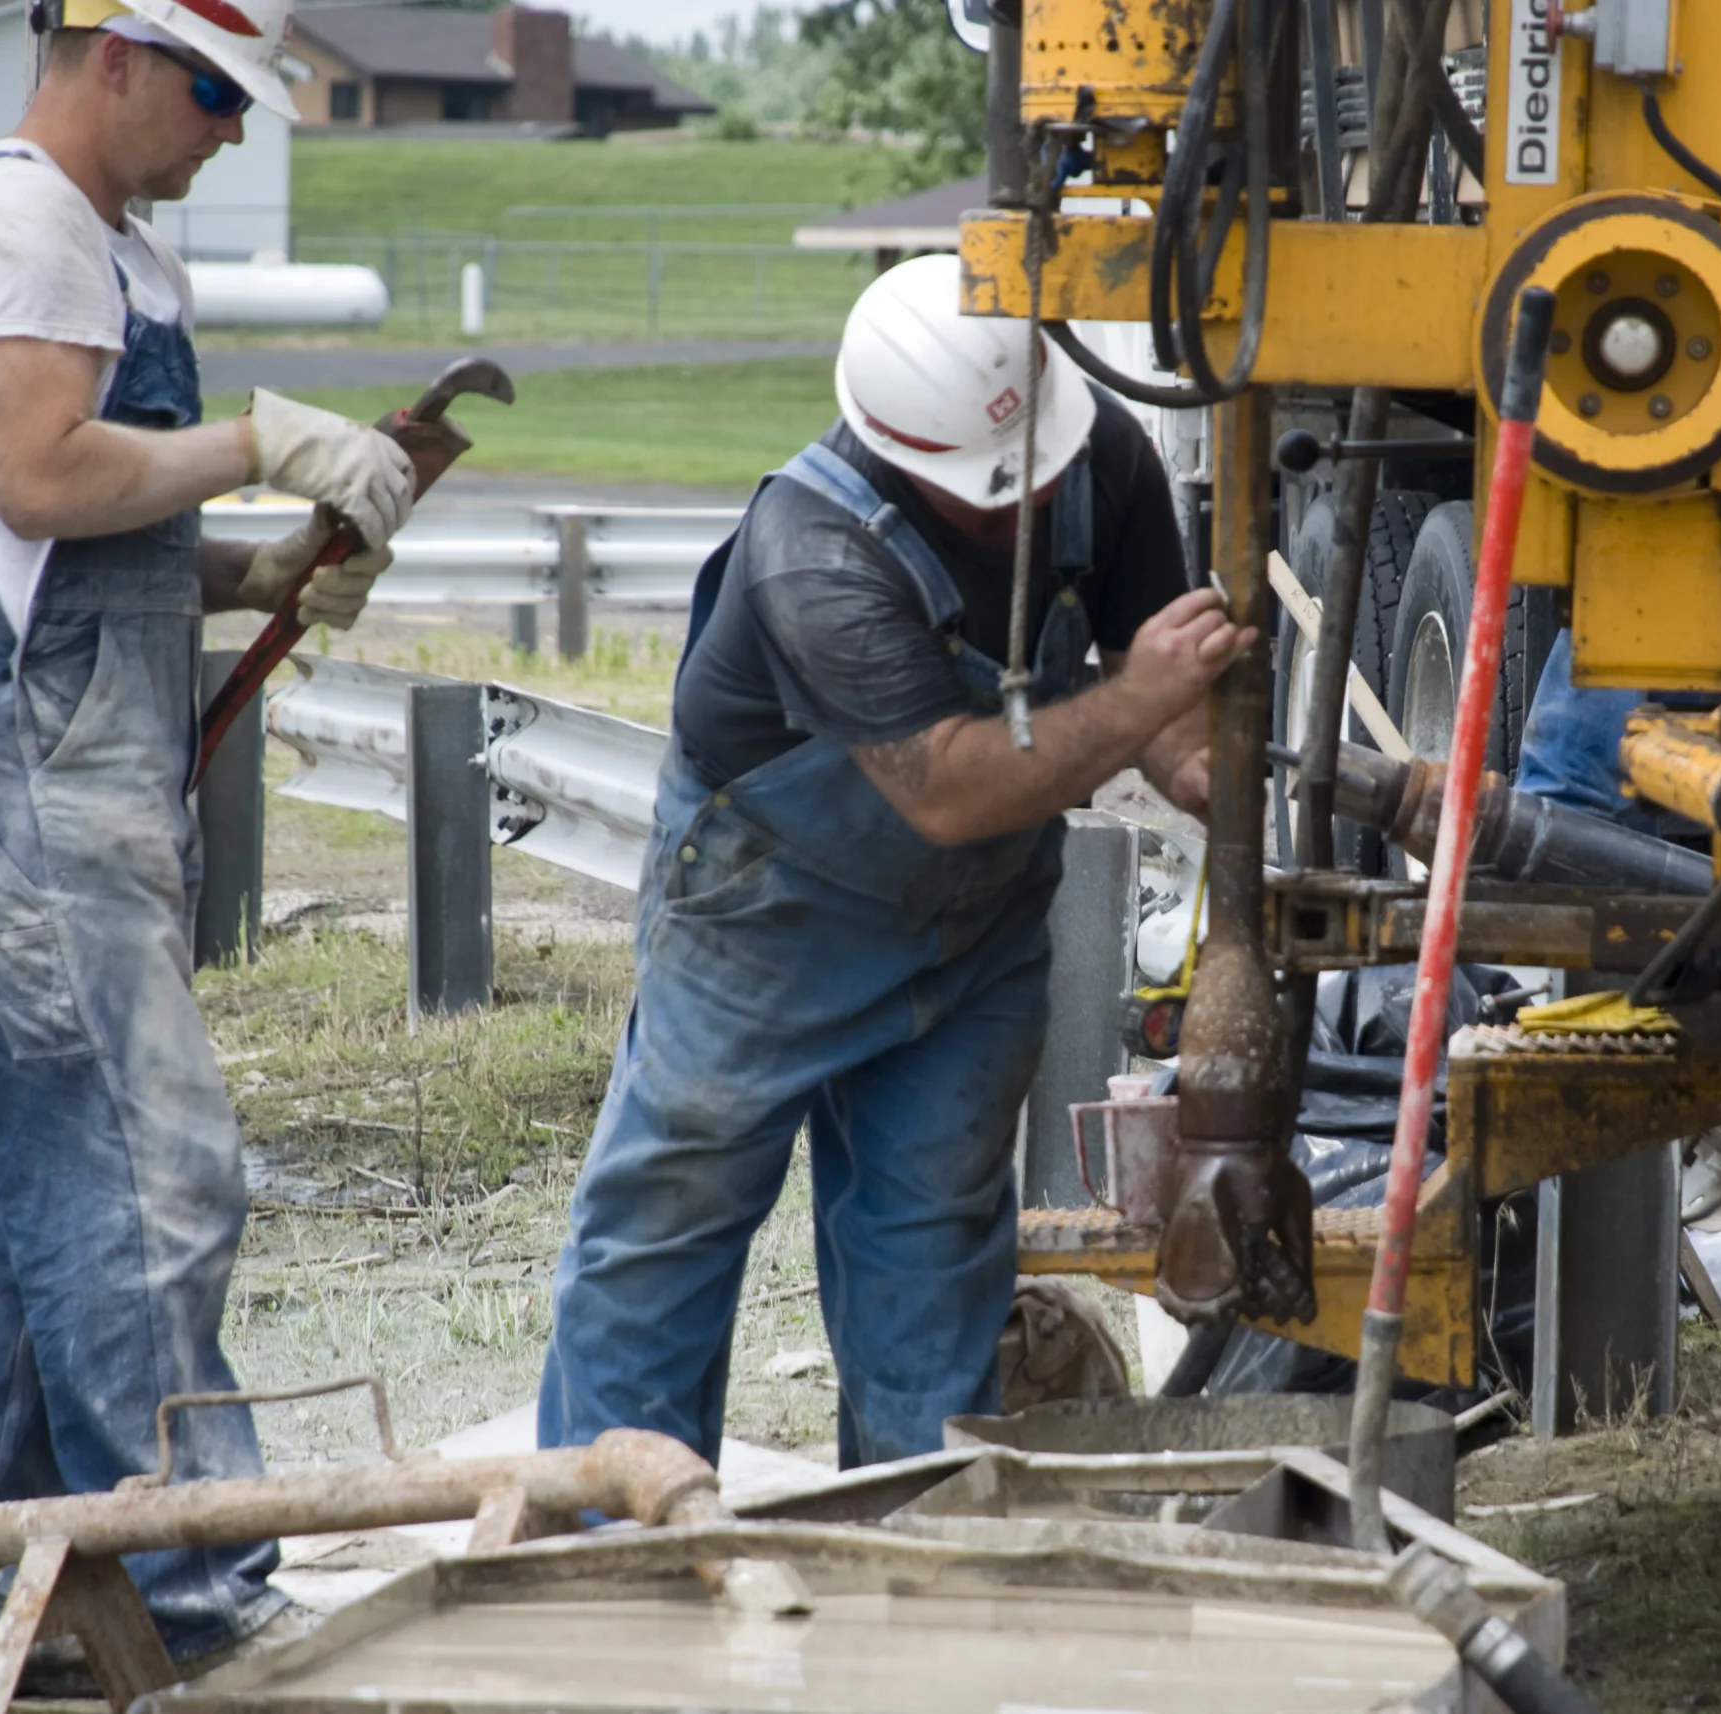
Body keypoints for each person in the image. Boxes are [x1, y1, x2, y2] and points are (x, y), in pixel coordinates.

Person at [0, 0, 417, 1699]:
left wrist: (241, 575)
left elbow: (72, 530)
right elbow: (36, 475)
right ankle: (196, 1585)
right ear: (110, 53)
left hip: (65, 755)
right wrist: (257, 445)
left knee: (54, 1193)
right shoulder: (16, 219)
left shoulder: (96, 243)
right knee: (146, 1175)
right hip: (22, 764)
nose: (231, 132)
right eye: (209, 91)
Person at [536, 255, 1255, 1468]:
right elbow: (952, 787)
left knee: (930, 1252)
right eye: (993, 487)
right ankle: (609, 1536)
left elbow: (1169, 713)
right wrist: (1137, 695)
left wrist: (1224, 784)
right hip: (764, 925)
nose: (1031, 494)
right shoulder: (813, 551)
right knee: (669, 1219)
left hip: (968, 946)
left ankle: (915, 1546)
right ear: (905, 456)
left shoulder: (1100, 455)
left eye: (1042, 462)